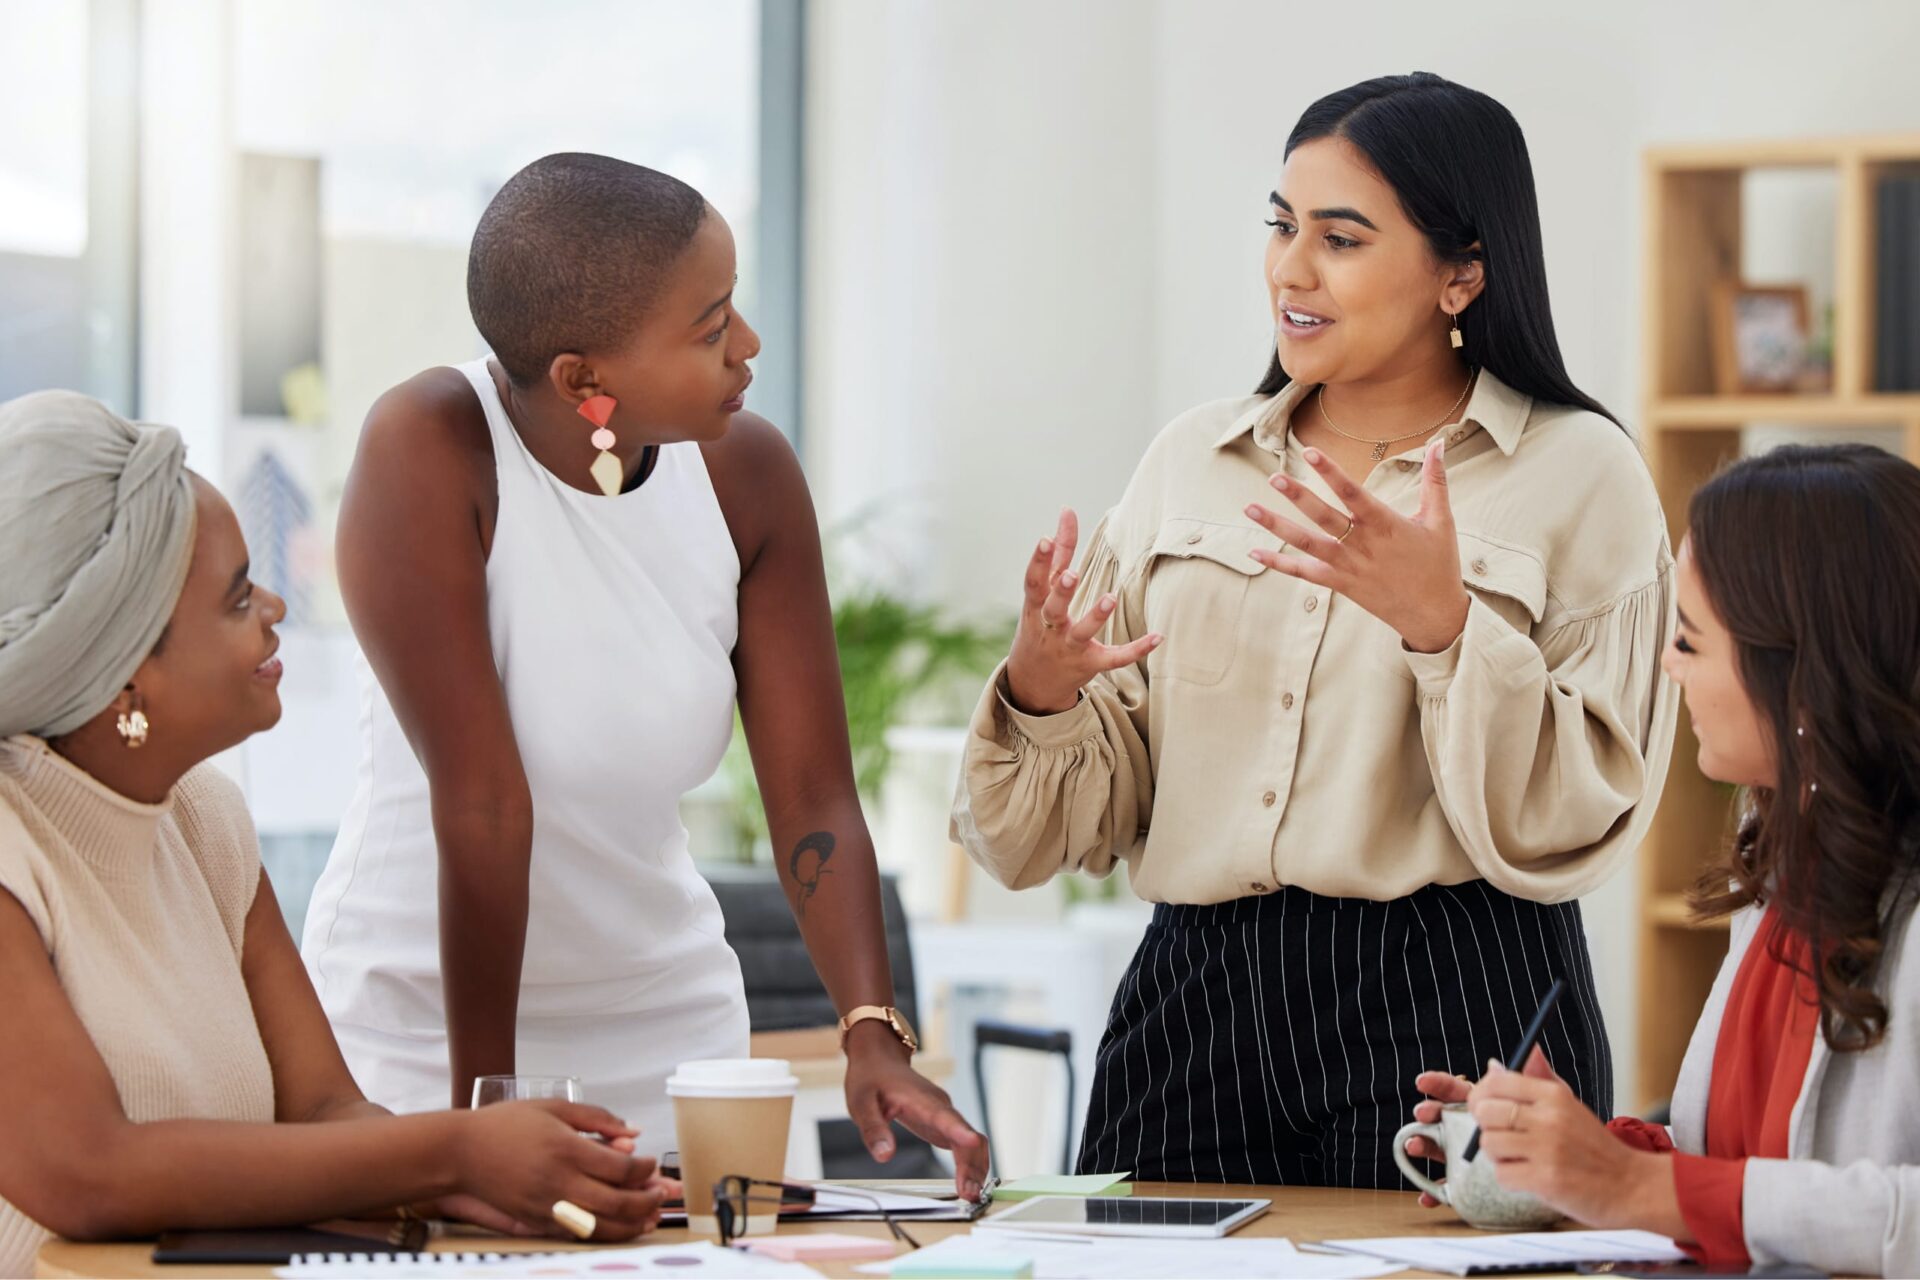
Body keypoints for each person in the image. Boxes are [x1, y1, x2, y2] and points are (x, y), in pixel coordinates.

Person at [952, 72, 1677, 1187]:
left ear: (1462, 272)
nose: (1291, 269)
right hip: (1194, 996)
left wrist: (1445, 627)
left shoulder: (1580, 472)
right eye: (1283, 227)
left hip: (1457, 986)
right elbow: (1068, 826)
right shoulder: (1191, 459)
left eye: (1340, 238)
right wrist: (1043, 693)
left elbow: (1581, 810)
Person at [299, 153, 986, 1195]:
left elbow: (811, 793)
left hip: (675, 1042)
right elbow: (483, 803)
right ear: (585, 379)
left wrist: (870, 1032)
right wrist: (484, 1113)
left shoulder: (746, 474)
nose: (748, 345)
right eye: (711, 328)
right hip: (423, 1035)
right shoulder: (433, 445)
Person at [0, 392, 673, 1276]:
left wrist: (478, 1183)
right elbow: (88, 1175)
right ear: (125, 675)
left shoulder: (206, 822)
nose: (276, 606)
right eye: (238, 597)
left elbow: (324, 1111)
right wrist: (458, 1152)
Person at [1410, 444, 1920, 1276]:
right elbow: (1764, 1165)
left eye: (1688, 639)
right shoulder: (1788, 867)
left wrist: (1639, 1187)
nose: (1665, 665)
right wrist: (1578, 1161)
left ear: (1798, 673)